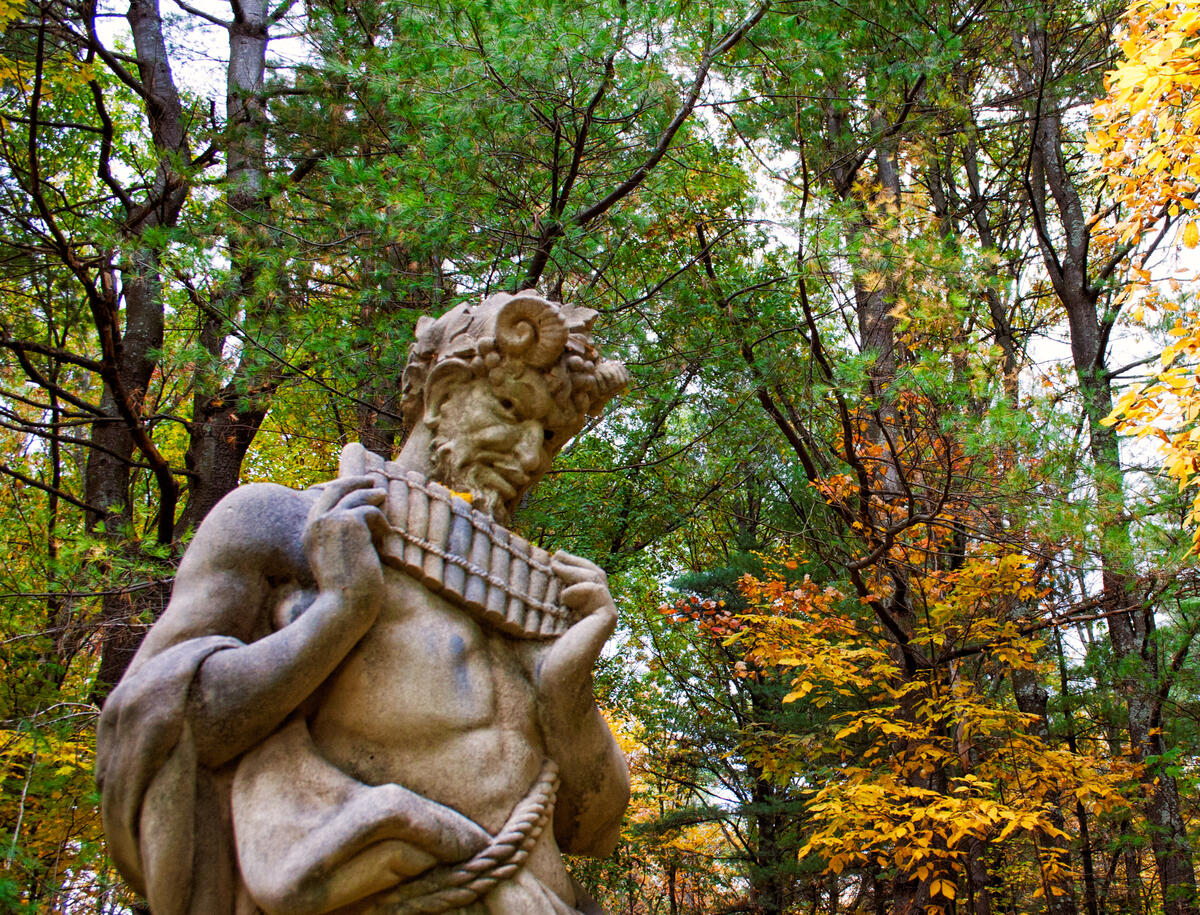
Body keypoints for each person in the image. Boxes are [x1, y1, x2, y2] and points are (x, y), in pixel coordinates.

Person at [96, 291, 631, 915]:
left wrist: (567, 687)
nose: (532, 457)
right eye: (514, 411)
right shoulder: (280, 524)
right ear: (442, 395)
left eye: (550, 438)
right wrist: (340, 612)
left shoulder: (530, 596)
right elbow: (155, 727)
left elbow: (591, 831)